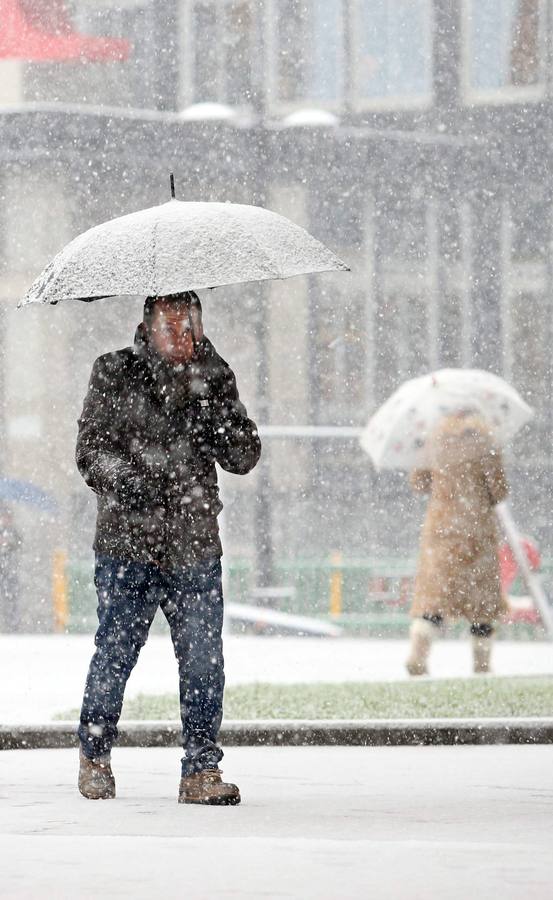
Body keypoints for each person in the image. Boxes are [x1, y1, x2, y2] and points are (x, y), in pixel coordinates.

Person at [76, 291, 261, 804]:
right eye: (171, 325)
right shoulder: (113, 372)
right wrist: (130, 482)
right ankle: (95, 754)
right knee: (115, 652)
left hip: (194, 544)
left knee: (203, 660)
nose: (181, 336)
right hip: (126, 544)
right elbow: (90, 451)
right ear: (148, 326)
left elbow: (244, 454)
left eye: (190, 325)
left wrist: (210, 406)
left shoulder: (214, 375)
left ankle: (201, 769)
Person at [406, 411, 509, 676]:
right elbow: (499, 490)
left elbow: (418, 481)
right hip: (477, 529)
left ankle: (418, 652)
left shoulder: (435, 438)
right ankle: (482, 663)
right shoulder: (486, 439)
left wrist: (442, 482)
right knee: (481, 600)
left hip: (440, 527)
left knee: (434, 596)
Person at [0, 505, 21, 632]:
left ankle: (12, 623)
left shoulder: (13, 532)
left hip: (10, 570)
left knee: (12, 598)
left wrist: (10, 543)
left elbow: (19, 544)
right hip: (2, 570)